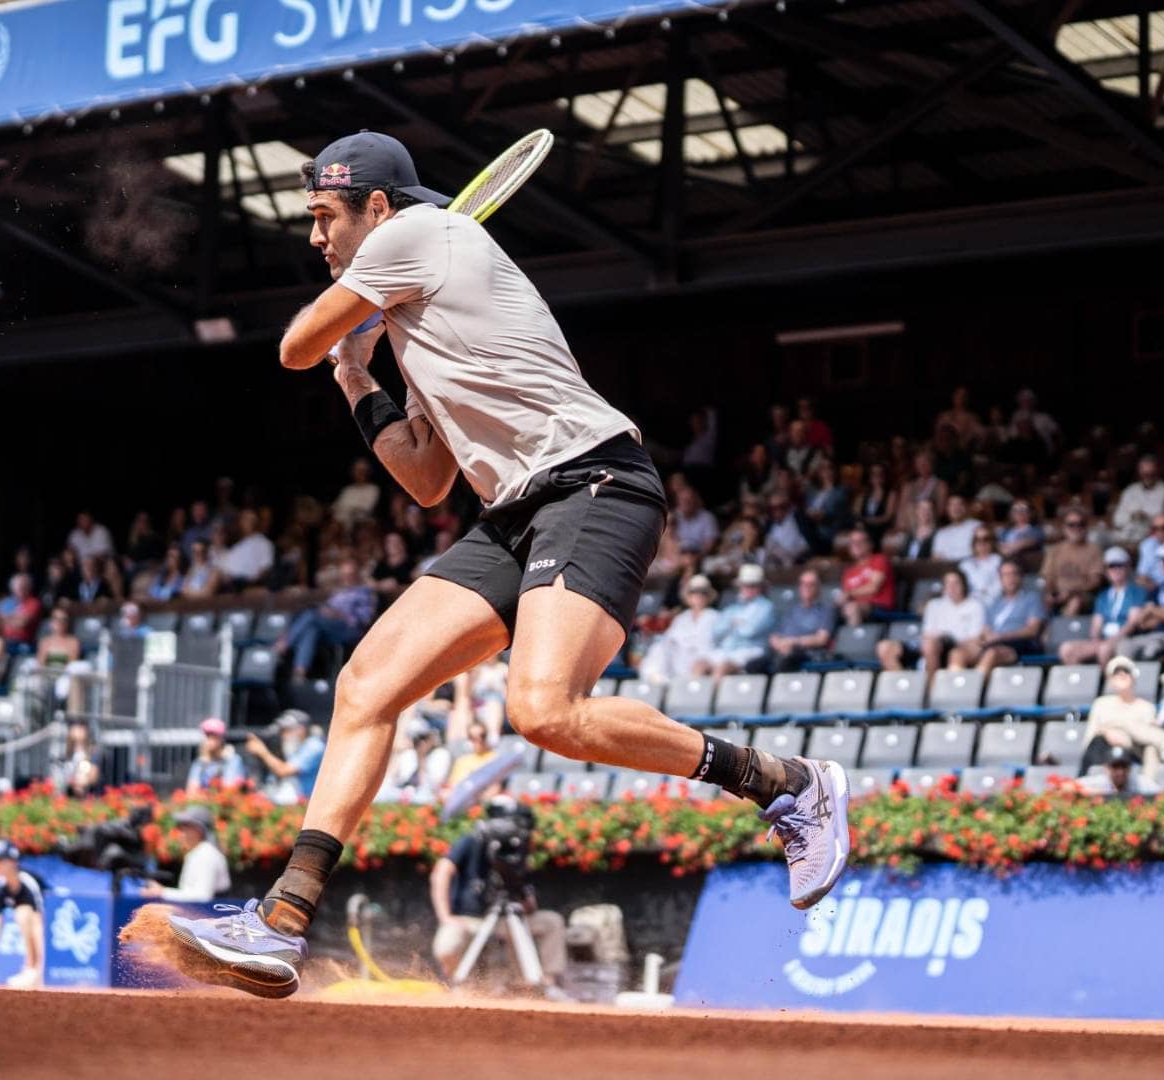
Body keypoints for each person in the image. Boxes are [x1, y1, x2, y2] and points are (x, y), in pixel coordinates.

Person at [154, 132, 846, 998]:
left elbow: (292, 345)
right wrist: (359, 380)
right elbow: (427, 474)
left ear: (378, 207)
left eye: (325, 216)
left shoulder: (419, 234)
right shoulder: (416, 317)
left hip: (596, 482)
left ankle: (785, 783)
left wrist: (337, 339)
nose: (314, 236)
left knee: (543, 710)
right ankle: (283, 921)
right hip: (514, 509)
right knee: (368, 686)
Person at [428, 798, 567, 993]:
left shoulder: (519, 849)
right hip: (470, 919)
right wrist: (445, 916)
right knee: (447, 944)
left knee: (551, 921)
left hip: (505, 919)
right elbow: (441, 872)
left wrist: (516, 884)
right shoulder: (471, 841)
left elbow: (529, 905)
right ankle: (462, 986)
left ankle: (545, 984)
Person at [1079, 657, 1164, 769]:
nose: (1122, 674)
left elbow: (1145, 740)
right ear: (1110, 680)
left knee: (1151, 748)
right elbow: (1090, 736)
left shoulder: (1147, 707)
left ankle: (1150, 785)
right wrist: (1107, 731)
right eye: (1116, 673)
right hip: (1103, 751)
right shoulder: (1101, 704)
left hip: (1134, 755)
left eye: (1126, 671)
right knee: (1112, 730)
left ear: (1133, 676)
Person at [278, 556, 377, 681]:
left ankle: (284, 645)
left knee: (311, 616)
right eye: (345, 575)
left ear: (357, 574)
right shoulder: (340, 592)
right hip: (329, 628)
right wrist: (327, 611)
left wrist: (339, 615)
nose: (348, 578)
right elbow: (328, 608)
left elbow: (364, 620)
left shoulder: (365, 592)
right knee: (311, 629)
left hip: (350, 630)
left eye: (351, 574)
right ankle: (299, 674)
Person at [878, 568, 983, 672]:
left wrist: (942, 638)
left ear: (964, 584)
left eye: (956, 583)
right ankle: (904, 684)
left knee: (930, 645)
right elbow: (927, 632)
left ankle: (930, 687)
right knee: (884, 648)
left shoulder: (974, 605)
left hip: (955, 645)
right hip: (929, 643)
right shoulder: (934, 604)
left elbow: (974, 638)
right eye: (948, 583)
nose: (952, 587)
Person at [951, 560, 1045, 674]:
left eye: (1013, 574)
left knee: (992, 654)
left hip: (1020, 644)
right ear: (1000, 579)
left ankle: (975, 688)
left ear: (1020, 576)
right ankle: (956, 688)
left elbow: (1033, 630)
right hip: (993, 643)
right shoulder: (995, 603)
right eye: (1005, 575)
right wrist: (974, 641)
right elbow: (986, 630)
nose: (1010, 578)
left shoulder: (1031, 599)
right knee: (958, 653)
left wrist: (1000, 636)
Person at [1058, 547, 1148, 664]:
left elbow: (1132, 624)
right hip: (1104, 640)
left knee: (1104, 649)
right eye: (1111, 566)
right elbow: (1097, 624)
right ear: (1106, 571)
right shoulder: (1103, 596)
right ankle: (1081, 680)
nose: (1115, 570)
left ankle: (1108, 682)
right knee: (1067, 649)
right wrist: (1096, 639)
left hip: (1125, 640)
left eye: (1119, 565)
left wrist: (1111, 641)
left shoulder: (1137, 592)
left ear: (1128, 567)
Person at [0, 841, 45, 989]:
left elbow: (39, 926)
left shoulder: (28, 883)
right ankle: (30, 971)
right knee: (22, 913)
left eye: (0, 860)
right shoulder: (2, 887)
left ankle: (32, 969)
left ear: (13, 861)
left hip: (54, 923)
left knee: (23, 913)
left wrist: (40, 972)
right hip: (34, 924)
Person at [638, 574, 721, 684]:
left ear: (708, 596)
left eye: (703, 592)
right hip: (679, 659)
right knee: (659, 647)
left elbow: (719, 645)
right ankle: (657, 681)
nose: (698, 596)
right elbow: (669, 639)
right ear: (689, 596)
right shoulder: (682, 618)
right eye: (694, 592)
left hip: (702, 660)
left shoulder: (715, 616)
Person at [142, 807, 232, 904]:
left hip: (212, 916)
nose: (180, 833)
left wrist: (163, 892)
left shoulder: (206, 854)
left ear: (198, 830)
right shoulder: (199, 852)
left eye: (184, 828)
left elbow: (203, 897)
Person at [704, 563, 777, 676]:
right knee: (699, 665)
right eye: (745, 585)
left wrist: (732, 625)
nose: (748, 588)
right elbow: (716, 632)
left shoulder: (766, 607)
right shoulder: (732, 608)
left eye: (753, 585)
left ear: (761, 587)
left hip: (751, 650)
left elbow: (749, 631)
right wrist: (738, 624)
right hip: (727, 650)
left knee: (722, 668)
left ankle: (715, 694)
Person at [757, 569, 835, 674]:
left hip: (807, 652)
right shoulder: (791, 609)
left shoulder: (825, 610)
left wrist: (793, 642)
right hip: (781, 650)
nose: (806, 587)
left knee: (785, 660)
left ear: (818, 588)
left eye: (811, 584)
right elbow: (774, 635)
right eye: (803, 584)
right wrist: (779, 644)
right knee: (753, 665)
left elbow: (821, 639)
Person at [242, 710, 325, 806]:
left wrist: (262, 752)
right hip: (292, 804)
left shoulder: (315, 746)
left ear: (301, 729)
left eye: (287, 729)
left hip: (307, 806)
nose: (283, 734)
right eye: (282, 730)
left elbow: (283, 770)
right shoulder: (295, 746)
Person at [835, 527, 895, 625]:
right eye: (853, 542)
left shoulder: (879, 560)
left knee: (852, 608)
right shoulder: (849, 572)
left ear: (870, 544)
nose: (856, 545)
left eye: (860, 541)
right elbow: (846, 596)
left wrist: (849, 593)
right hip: (855, 608)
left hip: (879, 607)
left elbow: (873, 588)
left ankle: (853, 639)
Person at [185, 717, 247, 792]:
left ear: (221, 739)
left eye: (214, 736)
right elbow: (191, 790)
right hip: (202, 801)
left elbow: (229, 789)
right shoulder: (199, 763)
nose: (210, 741)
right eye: (208, 736)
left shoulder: (232, 760)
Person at [1078, 744, 1162, 797]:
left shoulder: (1138, 782)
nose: (1120, 772)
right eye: (1115, 766)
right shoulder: (1100, 781)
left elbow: (1162, 793)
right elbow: (1069, 785)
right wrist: (1100, 792)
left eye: (1123, 766)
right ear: (1106, 768)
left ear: (1129, 768)